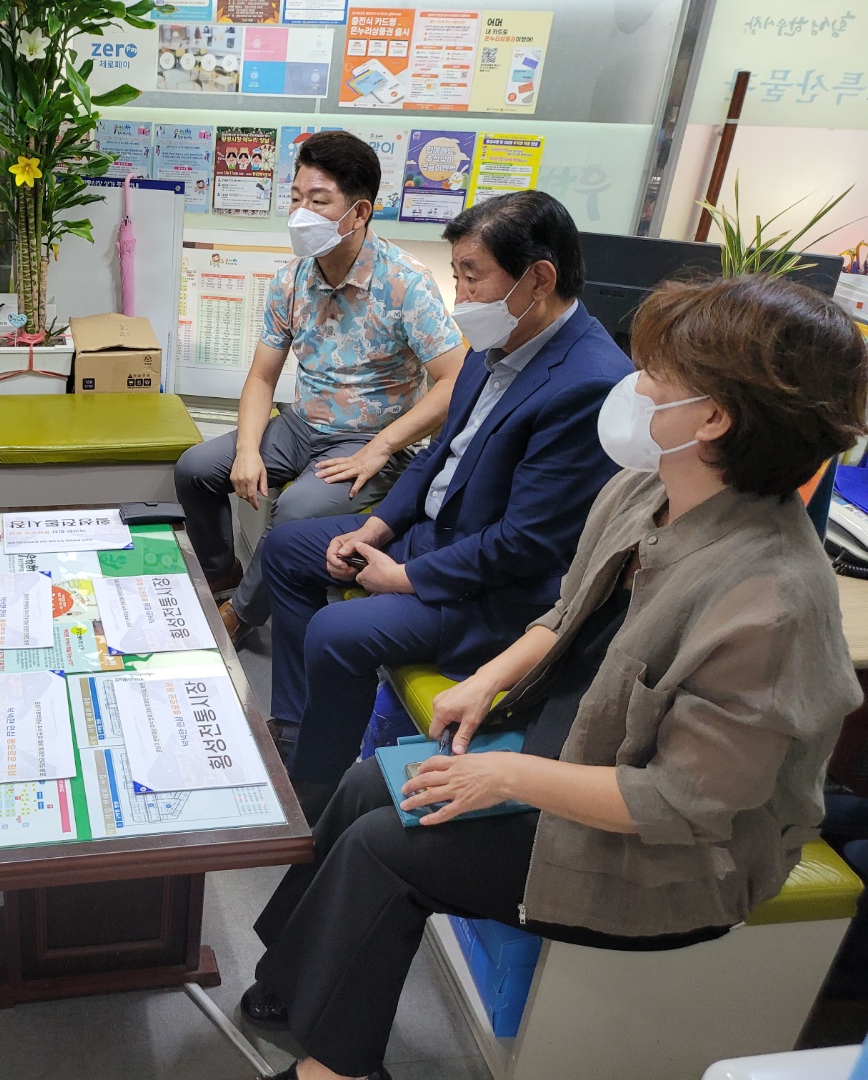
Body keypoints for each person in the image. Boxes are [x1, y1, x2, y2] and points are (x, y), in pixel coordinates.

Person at [239, 273, 868, 1080]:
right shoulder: (645, 492)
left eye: (656, 375)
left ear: (713, 417)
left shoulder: (771, 602)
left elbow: (679, 805)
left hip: (670, 858)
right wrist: (488, 678)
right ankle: (295, 985)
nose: (635, 386)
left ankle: (337, 1068)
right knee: (368, 786)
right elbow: (568, 611)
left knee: (385, 847)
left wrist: (506, 775)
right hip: (568, 753)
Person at [261, 190, 630, 813]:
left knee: (336, 632)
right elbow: (437, 456)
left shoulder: (588, 384)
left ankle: (313, 794)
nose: (460, 297)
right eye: (456, 274)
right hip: (434, 539)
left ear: (539, 279)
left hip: (495, 593)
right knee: (286, 548)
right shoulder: (499, 343)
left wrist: (404, 578)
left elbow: (525, 545)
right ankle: (301, 726)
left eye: (472, 276)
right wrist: (377, 529)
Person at [175, 131, 467, 645]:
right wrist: (248, 449)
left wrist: (382, 447)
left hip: (368, 440)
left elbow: (456, 380)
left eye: (318, 201)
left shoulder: (407, 284)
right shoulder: (291, 280)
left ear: (359, 213)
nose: (300, 214)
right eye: (295, 199)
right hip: (299, 425)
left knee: (296, 509)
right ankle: (224, 577)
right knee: (196, 469)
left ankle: (241, 615)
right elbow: (262, 376)